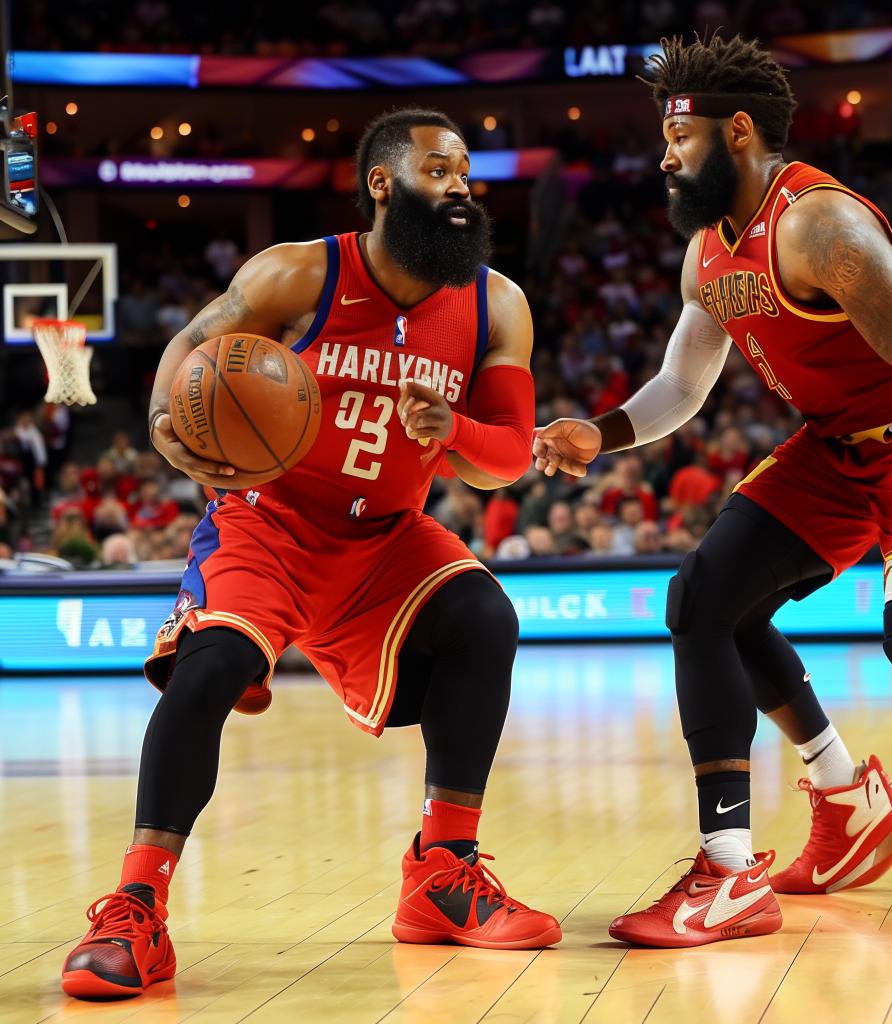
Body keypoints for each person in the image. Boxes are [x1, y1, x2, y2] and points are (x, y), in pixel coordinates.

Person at [534, 34, 892, 949]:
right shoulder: (706, 254)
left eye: (680, 141)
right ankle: (802, 827)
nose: (666, 158)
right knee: (705, 601)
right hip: (837, 448)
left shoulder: (819, 227)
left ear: (742, 131)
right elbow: (683, 387)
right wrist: (598, 434)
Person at [62, 107, 561, 1001]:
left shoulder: (497, 303)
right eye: (440, 171)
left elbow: (512, 455)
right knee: (208, 668)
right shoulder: (299, 272)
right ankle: (135, 910)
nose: (461, 188)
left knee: (486, 614)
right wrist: (167, 432)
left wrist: (457, 430)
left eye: (466, 173)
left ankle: (442, 875)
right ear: (383, 184)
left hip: (384, 537)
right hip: (269, 521)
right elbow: (188, 349)